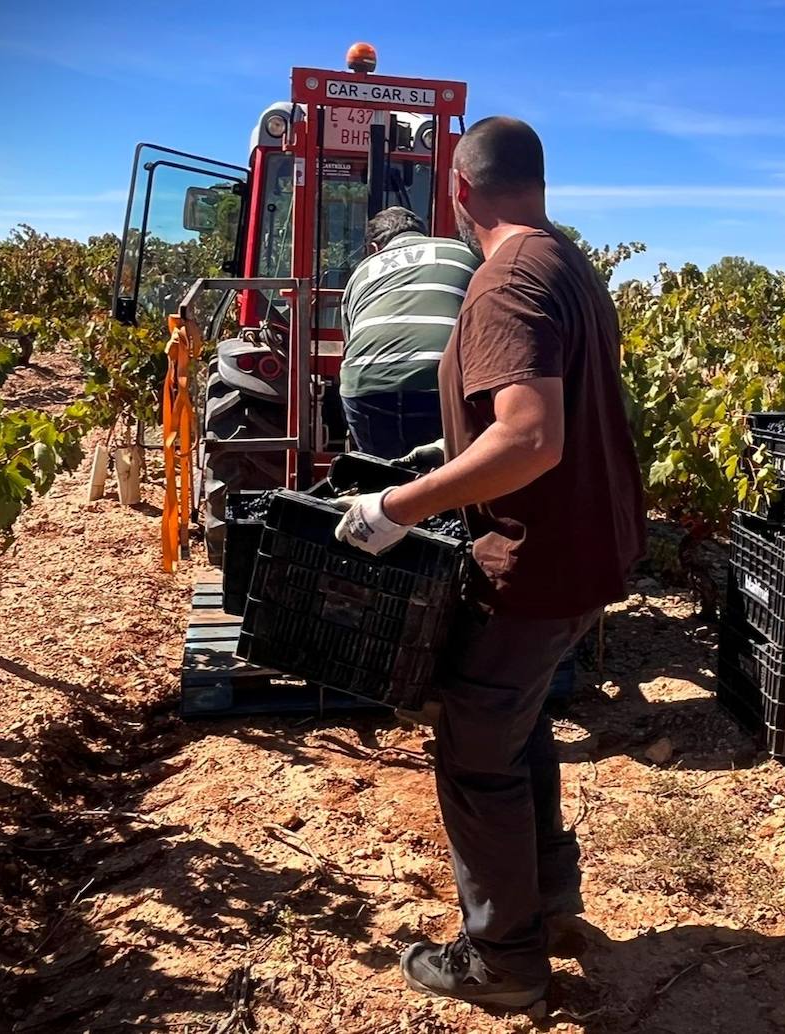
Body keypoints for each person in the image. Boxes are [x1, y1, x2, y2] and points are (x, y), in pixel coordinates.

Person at [334, 116, 646, 1008]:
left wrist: (393, 507)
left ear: (459, 192)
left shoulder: (506, 277)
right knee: (516, 724)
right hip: (588, 551)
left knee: (474, 745)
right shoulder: (567, 262)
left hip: (537, 562)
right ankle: (547, 901)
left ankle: (504, 961)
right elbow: (541, 417)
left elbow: (531, 436)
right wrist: (449, 453)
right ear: (537, 186)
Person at [338, 206, 479, 459]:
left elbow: (349, 341)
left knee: (381, 476)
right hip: (438, 380)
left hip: (366, 383)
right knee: (447, 479)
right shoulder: (461, 252)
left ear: (374, 248)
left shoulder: (362, 272)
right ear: (423, 234)